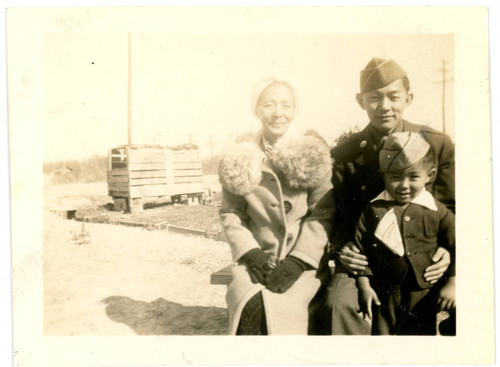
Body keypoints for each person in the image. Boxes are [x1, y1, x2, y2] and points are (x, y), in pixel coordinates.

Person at [322, 58, 456, 335]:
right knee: (341, 304)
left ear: (408, 98)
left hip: (428, 256)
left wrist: (450, 255)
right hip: (365, 260)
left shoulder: (436, 143)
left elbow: (454, 208)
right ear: (361, 101)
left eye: (393, 97)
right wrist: (342, 249)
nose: (384, 107)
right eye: (374, 98)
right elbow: (339, 217)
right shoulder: (345, 154)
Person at [218, 79, 335, 335]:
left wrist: (298, 261)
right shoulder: (239, 154)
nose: (277, 113)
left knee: (282, 311)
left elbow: (323, 213)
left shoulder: (311, 152)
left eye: (285, 105)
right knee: (248, 305)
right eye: (269, 105)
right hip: (255, 260)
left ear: (295, 110)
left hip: (302, 263)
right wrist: (251, 254)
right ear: (257, 110)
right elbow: (231, 213)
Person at [355, 131, 455, 335]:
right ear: (383, 174)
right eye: (395, 177)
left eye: (413, 177)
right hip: (383, 293)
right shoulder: (373, 210)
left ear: (431, 175)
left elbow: (461, 244)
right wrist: (364, 285)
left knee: (419, 342)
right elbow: (359, 250)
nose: (404, 185)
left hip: (423, 294)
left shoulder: (437, 211)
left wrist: (454, 281)